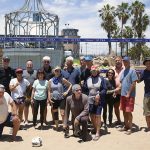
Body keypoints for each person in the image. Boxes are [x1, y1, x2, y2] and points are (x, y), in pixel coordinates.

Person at [86, 65, 107, 141]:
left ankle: (98, 132)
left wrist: (99, 95)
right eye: (92, 71)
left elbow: (105, 89)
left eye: (95, 71)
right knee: (92, 116)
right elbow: (85, 89)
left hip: (99, 100)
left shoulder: (101, 79)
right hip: (90, 100)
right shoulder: (88, 79)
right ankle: (95, 128)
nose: (93, 72)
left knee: (98, 116)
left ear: (97, 71)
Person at [119, 56, 138, 135]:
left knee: (129, 111)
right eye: (124, 61)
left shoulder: (132, 71)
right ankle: (126, 126)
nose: (125, 62)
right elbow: (121, 82)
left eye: (126, 61)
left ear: (129, 62)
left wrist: (129, 93)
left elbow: (134, 83)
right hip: (123, 94)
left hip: (129, 95)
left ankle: (130, 128)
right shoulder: (123, 71)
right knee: (124, 111)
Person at [22, 60, 37, 125]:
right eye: (28, 65)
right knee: (26, 106)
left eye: (30, 65)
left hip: (34, 92)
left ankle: (34, 120)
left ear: (32, 65)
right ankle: (26, 119)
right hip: (26, 93)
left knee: (33, 106)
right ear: (26, 65)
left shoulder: (36, 72)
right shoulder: (22, 72)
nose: (29, 66)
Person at [138, 57, 150, 132]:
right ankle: (149, 127)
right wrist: (136, 76)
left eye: (149, 63)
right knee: (147, 112)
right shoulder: (144, 72)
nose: (148, 64)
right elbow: (138, 81)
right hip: (147, 95)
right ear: (145, 64)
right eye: (147, 63)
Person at [112, 56, 124, 125]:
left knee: (125, 108)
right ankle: (119, 120)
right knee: (116, 107)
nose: (117, 62)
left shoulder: (125, 69)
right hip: (116, 92)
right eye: (116, 61)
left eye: (118, 60)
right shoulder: (112, 69)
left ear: (121, 60)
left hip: (124, 91)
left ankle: (126, 121)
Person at [42, 56, 54, 124]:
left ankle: (53, 119)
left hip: (52, 90)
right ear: (43, 62)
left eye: (48, 62)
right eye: (45, 61)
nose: (46, 63)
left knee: (52, 105)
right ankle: (44, 120)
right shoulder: (40, 70)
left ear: (50, 62)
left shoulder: (53, 70)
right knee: (44, 106)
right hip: (43, 90)